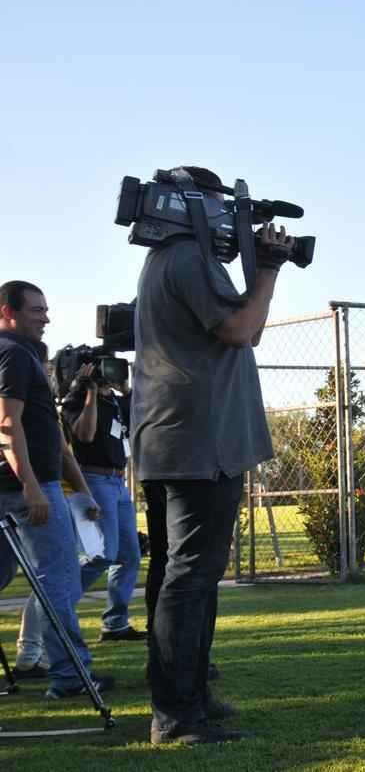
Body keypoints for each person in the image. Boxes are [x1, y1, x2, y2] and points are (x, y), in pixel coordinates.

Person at [132, 166, 291, 745]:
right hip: (196, 442)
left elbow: (249, 325)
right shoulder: (185, 257)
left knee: (187, 574)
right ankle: (175, 714)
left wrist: (260, 273)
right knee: (190, 576)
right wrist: (269, 265)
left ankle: (188, 697)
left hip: (183, 439)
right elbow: (239, 330)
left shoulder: (168, 258)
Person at [0, 280, 113, 700]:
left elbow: (50, 433)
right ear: (8, 311)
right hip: (24, 488)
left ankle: (68, 671)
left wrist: (80, 489)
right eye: (36, 310)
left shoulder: (25, 355)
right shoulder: (11, 354)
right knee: (58, 580)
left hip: (33, 483)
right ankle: (70, 676)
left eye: (46, 309)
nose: (45, 317)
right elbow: (7, 426)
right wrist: (32, 487)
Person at [61, 363, 143, 642]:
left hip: (118, 483)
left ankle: (115, 623)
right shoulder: (75, 398)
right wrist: (90, 393)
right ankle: (58, 605)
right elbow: (84, 435)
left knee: (129, 556)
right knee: (103, 554)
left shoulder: (118, 402)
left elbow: (135, 427)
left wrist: (127, 391)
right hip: (94, 480)